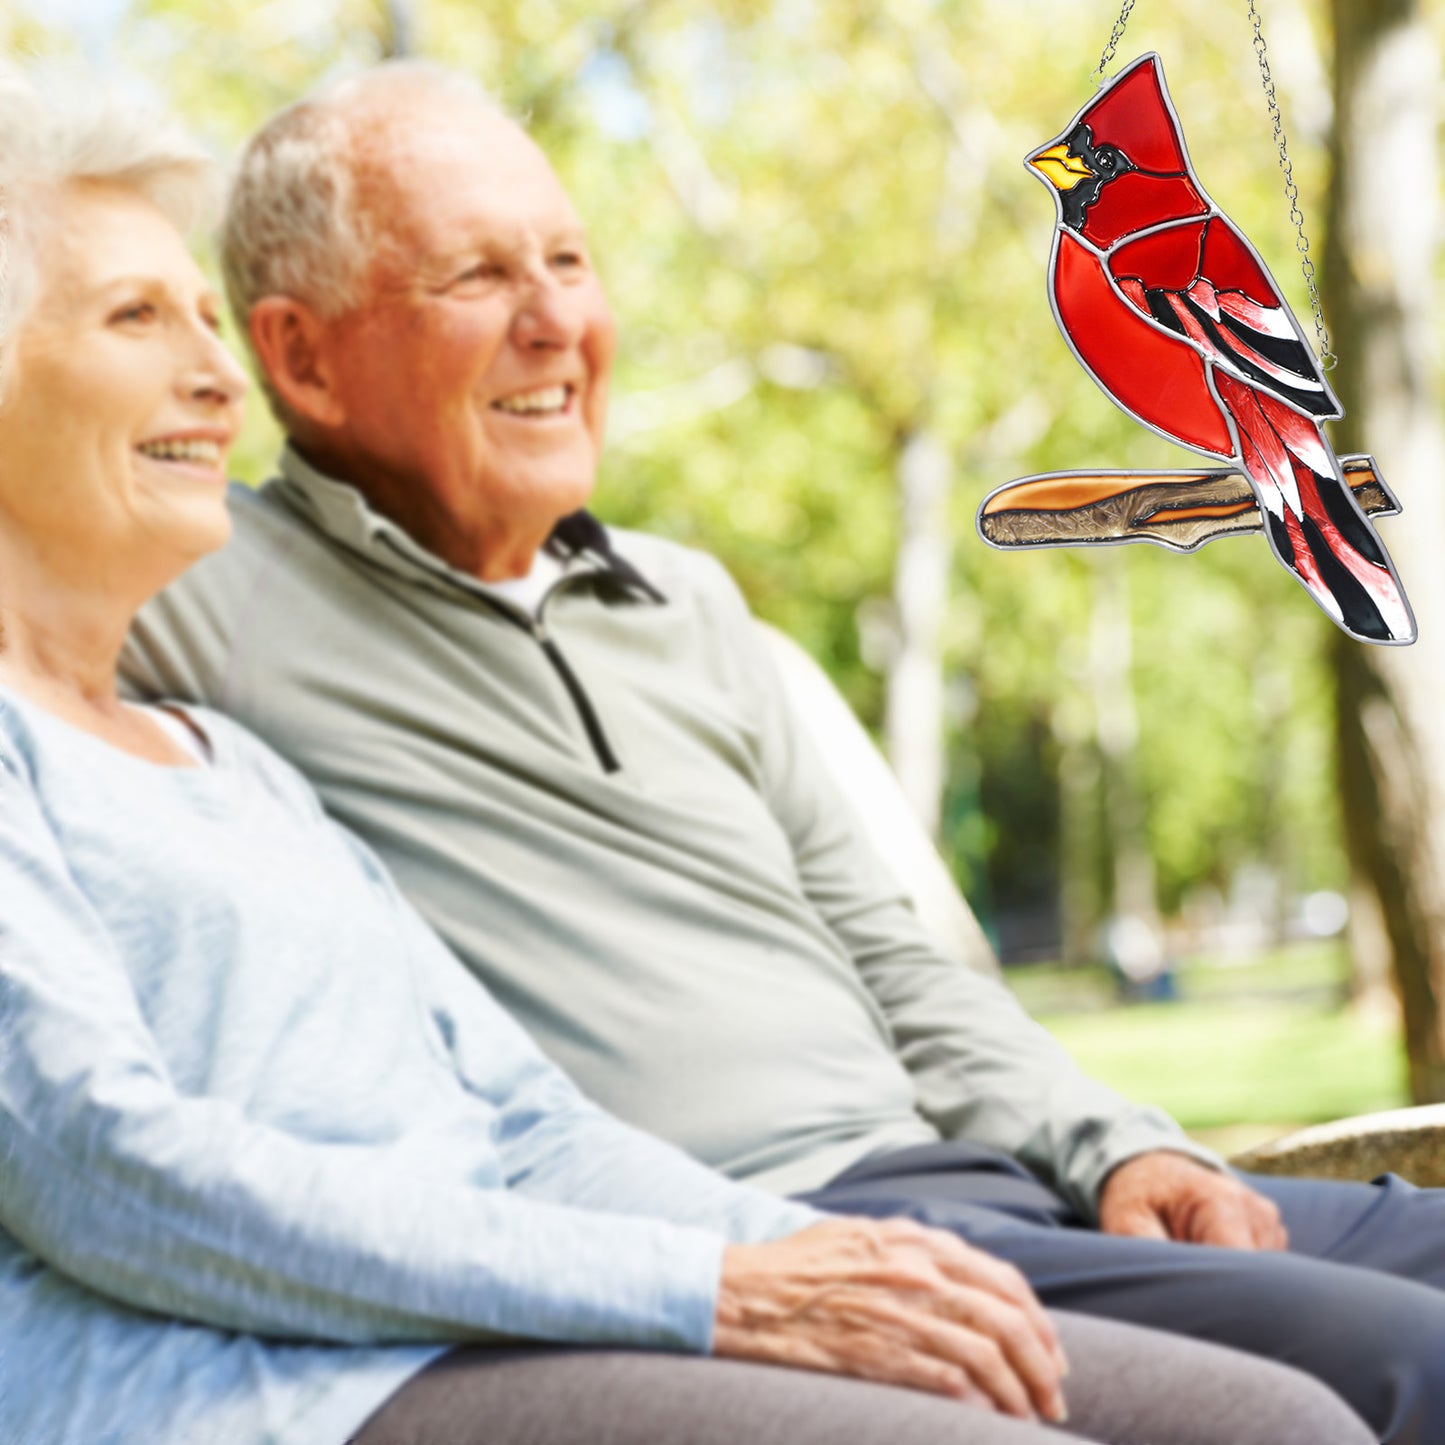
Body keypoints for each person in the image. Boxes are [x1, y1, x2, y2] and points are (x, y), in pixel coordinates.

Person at [0, 70, 1376, 1445]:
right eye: (138, 316)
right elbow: (108, 1167)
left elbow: (530, 1114)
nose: (214, 374)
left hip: (654, 1244)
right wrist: (723, 1279)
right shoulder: (213, 622)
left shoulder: (238, 765)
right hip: (312, 1370)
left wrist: (834, 1250)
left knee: (1281, 1415)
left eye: (567, 261)